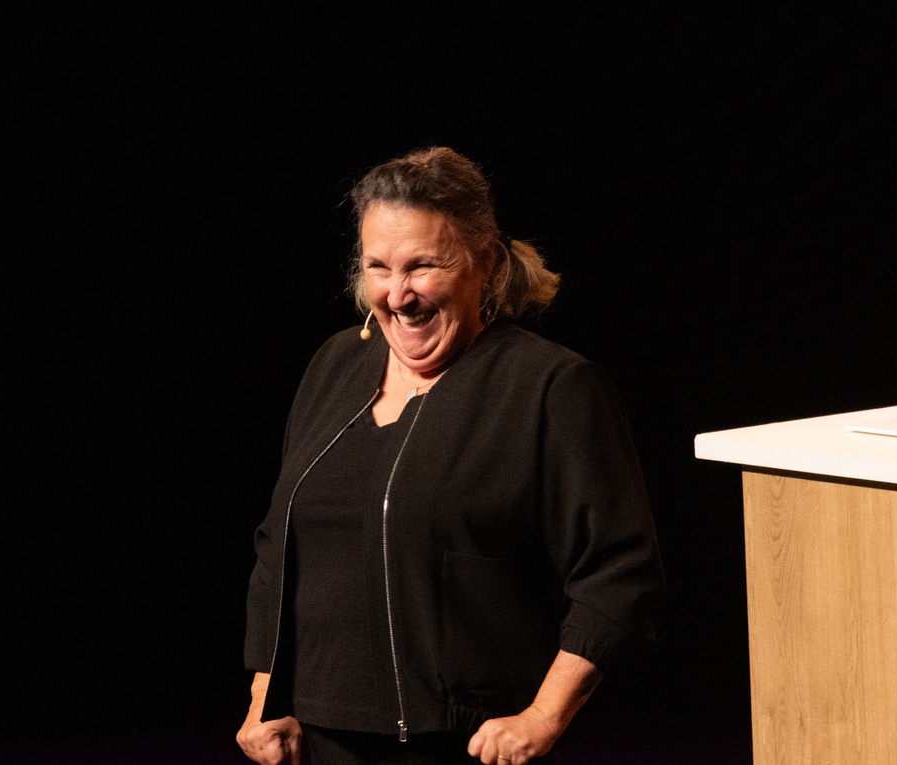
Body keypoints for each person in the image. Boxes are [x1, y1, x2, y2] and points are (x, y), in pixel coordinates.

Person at [237, 147, 666, 765]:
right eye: (378, 267)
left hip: (468, 745)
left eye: (423, 266)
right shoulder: (334, 365)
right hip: (320, 737)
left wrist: (542, 718)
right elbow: (276, 545)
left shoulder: (550, 387)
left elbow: (621, 578)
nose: (397, 294)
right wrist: (262, 696)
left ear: (485, 263)